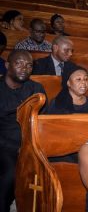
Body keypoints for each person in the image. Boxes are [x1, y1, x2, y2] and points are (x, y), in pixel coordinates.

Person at [0, 49, 46, 212]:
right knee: (11, 173)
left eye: (29, 65)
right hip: (5, 145)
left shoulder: (36, 89)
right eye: (19, 63)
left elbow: (42, 121)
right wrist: (16, 148)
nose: (24, 68)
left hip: (31, 143)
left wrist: (30, 145)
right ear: (7, 65)